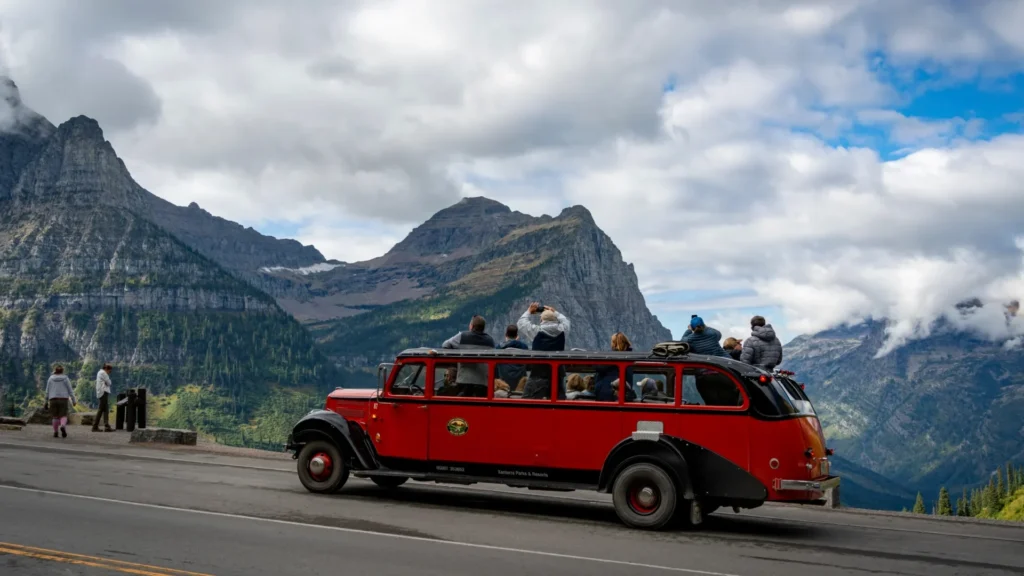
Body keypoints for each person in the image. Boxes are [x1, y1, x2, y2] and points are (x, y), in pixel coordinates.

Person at [442, 315, 495, 396]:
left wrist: (457, 353)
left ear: (471, 326)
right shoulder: (490, 341)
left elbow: (445, 345)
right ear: (483, 328)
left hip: (464, 381)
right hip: (483, 383)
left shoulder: (462, 336)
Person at [44, 365, 77, 439]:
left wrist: (46, 401)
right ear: (62, 371)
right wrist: (73, 400)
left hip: (53, 399)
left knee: (55, 416)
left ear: (55, 370)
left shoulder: (50, 378)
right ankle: (62, 426)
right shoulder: (65, 378)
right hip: (63, 399)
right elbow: (70, 390)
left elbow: (47, 391)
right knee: (63, 415)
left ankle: (55, 432)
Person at [497, 324, 528, 388]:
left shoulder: (499, 348)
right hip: (520, 384)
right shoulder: (524, 347)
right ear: (517, 336)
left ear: (506, 335)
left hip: (503, 383)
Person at [92, 364, 114, 432]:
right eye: (109, 371)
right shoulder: (103, 373)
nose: (109, 373)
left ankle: (107, 426)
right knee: (101, 409)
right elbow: (109, 383)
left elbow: (107, 382)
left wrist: (106, 382)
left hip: (102, 392)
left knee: (106, 409)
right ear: (107, 369)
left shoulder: (100, 372)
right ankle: (95, 426)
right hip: (103, 392)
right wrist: (107, 381)